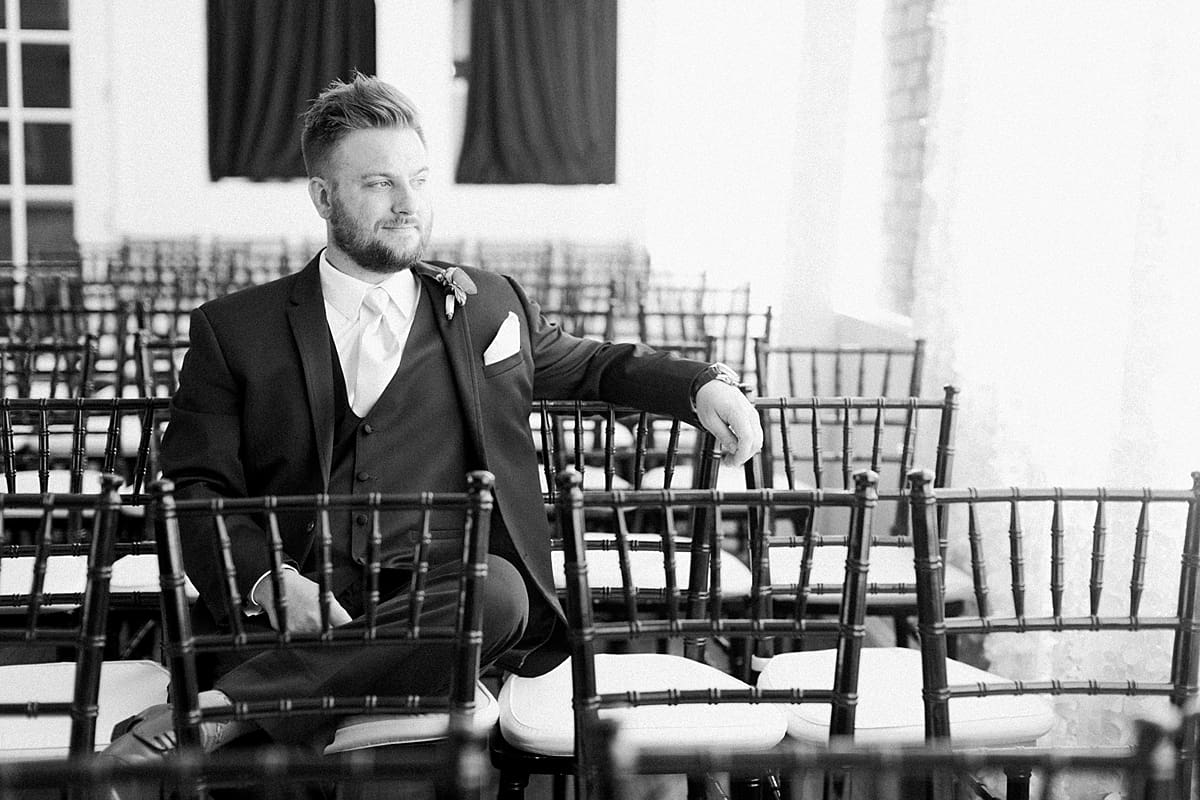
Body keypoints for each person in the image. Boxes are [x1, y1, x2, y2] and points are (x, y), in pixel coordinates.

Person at [103, 73, 761, 767]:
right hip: (293, 613)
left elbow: (597, 365)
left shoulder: (489, 306)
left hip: (442, 603)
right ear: (324, 197)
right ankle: (303, 691)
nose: (407, 202)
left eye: (418, 179)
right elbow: (188, 490)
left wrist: (704, 387)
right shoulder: (235, 330)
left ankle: (225, 714)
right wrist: (271, 580)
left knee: (499, 591)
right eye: (379, 184)